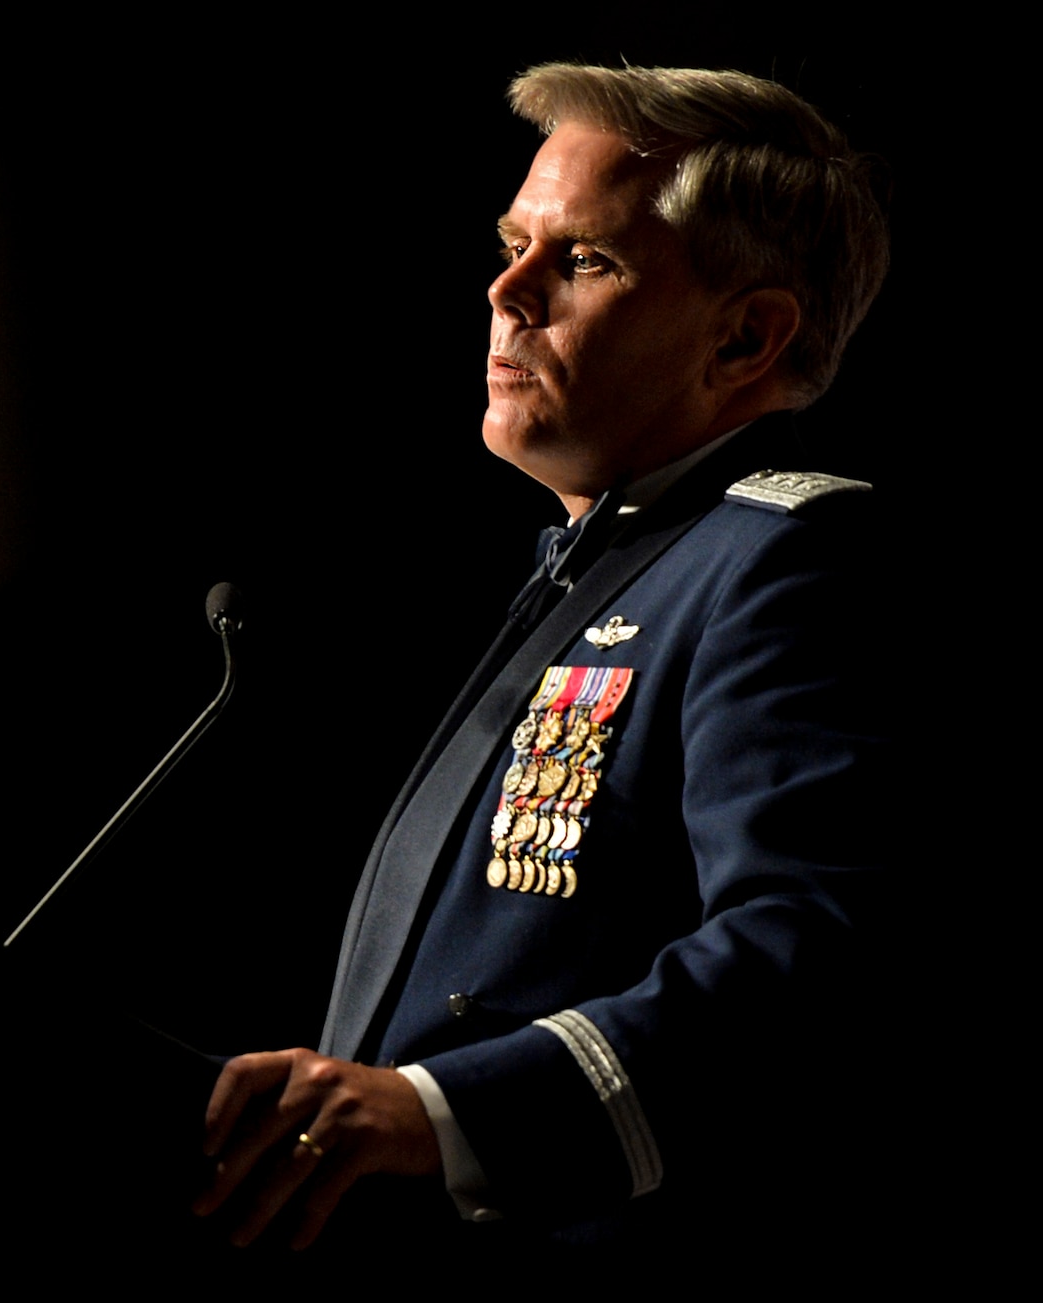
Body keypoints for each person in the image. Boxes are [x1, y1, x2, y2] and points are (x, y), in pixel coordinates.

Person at [193, 63, 893, 1257]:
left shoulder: (783, 564)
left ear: (742, 335)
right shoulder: (597, 560)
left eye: (583, 260)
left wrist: (439, 1112)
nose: (505, 291)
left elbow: (808, 957)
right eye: (514, 243)